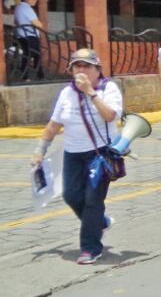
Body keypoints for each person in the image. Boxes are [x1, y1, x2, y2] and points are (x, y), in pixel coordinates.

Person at [31, 49, 122, 264]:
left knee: (92, 199)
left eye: (86, 66)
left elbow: (110, 115)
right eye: (77, 66)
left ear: (97, 70)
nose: (81, 70)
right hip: (73, 154)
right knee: (71, 196)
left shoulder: (108, 88)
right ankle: (101, 222)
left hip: (99, 154)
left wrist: (91, 92)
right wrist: (39, 151)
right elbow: (54, 125)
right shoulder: (66, 93)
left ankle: (90, 248)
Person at [14, 0, 43, 79]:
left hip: (21, 35)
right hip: (30, 36)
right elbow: (37, 24)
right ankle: (40, 76)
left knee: (27, 55)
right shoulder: (27, 8)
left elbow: (16, 22)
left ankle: (25, 76)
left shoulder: (18, 7)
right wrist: (41, 25)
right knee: (37, 55)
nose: (35, 0)